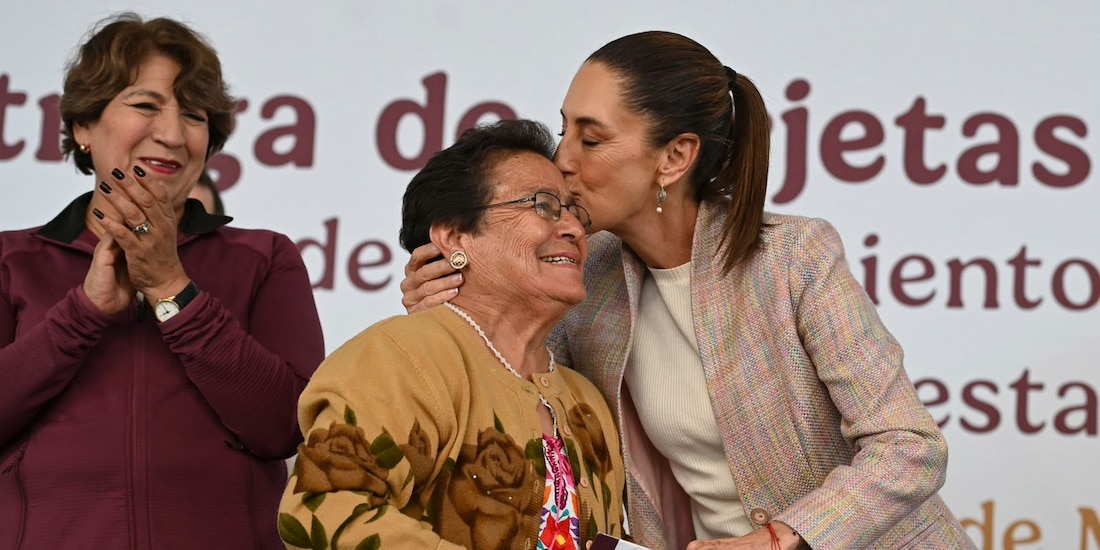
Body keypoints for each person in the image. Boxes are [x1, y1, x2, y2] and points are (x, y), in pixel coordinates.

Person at [401, 32, 975, 549]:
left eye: (591, 139)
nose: (562, 161)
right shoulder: (584, 277)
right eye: (563, 131)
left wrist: (780, 539)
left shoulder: (794, 257)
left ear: (675, 157)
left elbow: (911, 445)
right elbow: (525, 411)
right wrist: (454, 316)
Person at [0, 13, 324, 549]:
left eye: (193, 115)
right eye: (146, 106)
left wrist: (174, 289)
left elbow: (284, 428)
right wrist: (81, 315)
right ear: (84, 126)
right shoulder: (12, 259)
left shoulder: (265, 258)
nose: (172, 135)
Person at [279, 119, 625, 550]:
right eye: (543, 205)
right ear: (455, 236)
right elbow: (323, 513)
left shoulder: (586, 400)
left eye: (574, 212)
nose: (573, 228)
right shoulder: (399, 358)